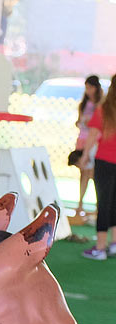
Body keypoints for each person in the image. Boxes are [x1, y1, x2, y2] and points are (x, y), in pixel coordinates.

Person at [81, 76, 116, 260]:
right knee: (115, 202)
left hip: (105, 161)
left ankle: (100, 248)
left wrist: (85, 156)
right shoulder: (104, 109)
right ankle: (114, 244)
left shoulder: (104, 110)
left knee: (103, 203)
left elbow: (92, 136)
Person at [72, 75, 103, 220]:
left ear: (96, 88)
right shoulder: (83, 104)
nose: (88, 90)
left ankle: (99, 207)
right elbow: (79, 121)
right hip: (82, 140)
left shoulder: (101, 104)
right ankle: (80, 204)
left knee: (94, 175)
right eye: (86, 88)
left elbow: (98, 126)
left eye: (90, 87)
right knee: (83, 173)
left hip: (94, 143)